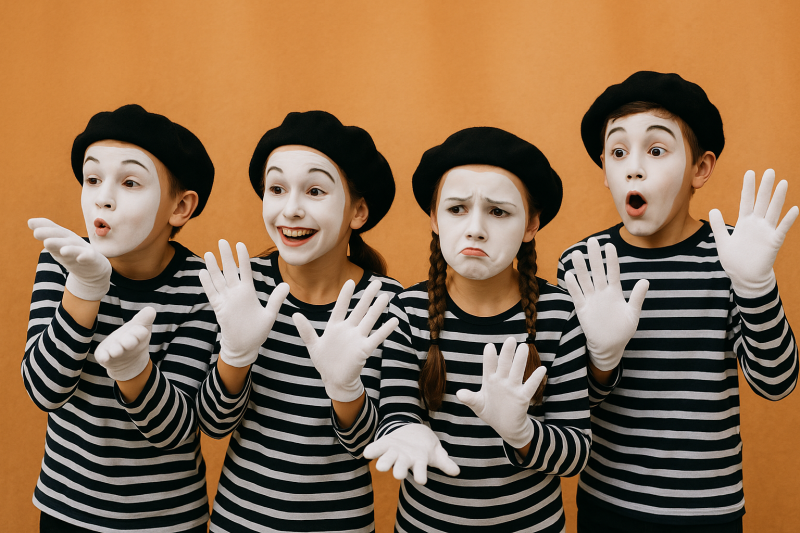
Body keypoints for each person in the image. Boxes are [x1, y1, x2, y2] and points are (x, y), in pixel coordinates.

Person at [560, 71, 799, 532]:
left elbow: (776, 383)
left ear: (700, 169)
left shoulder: (732, 256)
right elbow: (571, 407)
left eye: (656, 150)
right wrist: (602, 360)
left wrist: (755, 286)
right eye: (618, 152)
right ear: (605, 170)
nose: (633, 168)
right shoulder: (583, 263)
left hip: (707, 511)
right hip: (607, 505)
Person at [367, 127, 593, 532]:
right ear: (434, 218)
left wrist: (522, 433)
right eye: (456, 209)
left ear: (531, 224)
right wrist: (405, 430)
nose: (475, 229)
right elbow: (395, 413)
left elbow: (576, 453)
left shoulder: (560, 315)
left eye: (498, 211)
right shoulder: (407, 311)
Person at [196, 111, 402, 533]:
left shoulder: (384, 303)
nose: (290, 209)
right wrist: (236, 354)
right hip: (239, 521)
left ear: (358, 211)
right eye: (276, 189)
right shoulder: (242, 286)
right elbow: (213, 423)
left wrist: (345, 389)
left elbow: (368, 445)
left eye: (314, 191)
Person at [23, 104, 219, 532]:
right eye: (92, 179)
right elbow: (44, 390)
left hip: (168, 520)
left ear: (180, 207)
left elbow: (175, 430)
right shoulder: (62, 260)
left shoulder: (202, 287)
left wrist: (135, 371)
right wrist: (84, 289)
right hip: (67, 509)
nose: (103, 197)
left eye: (130, 182)